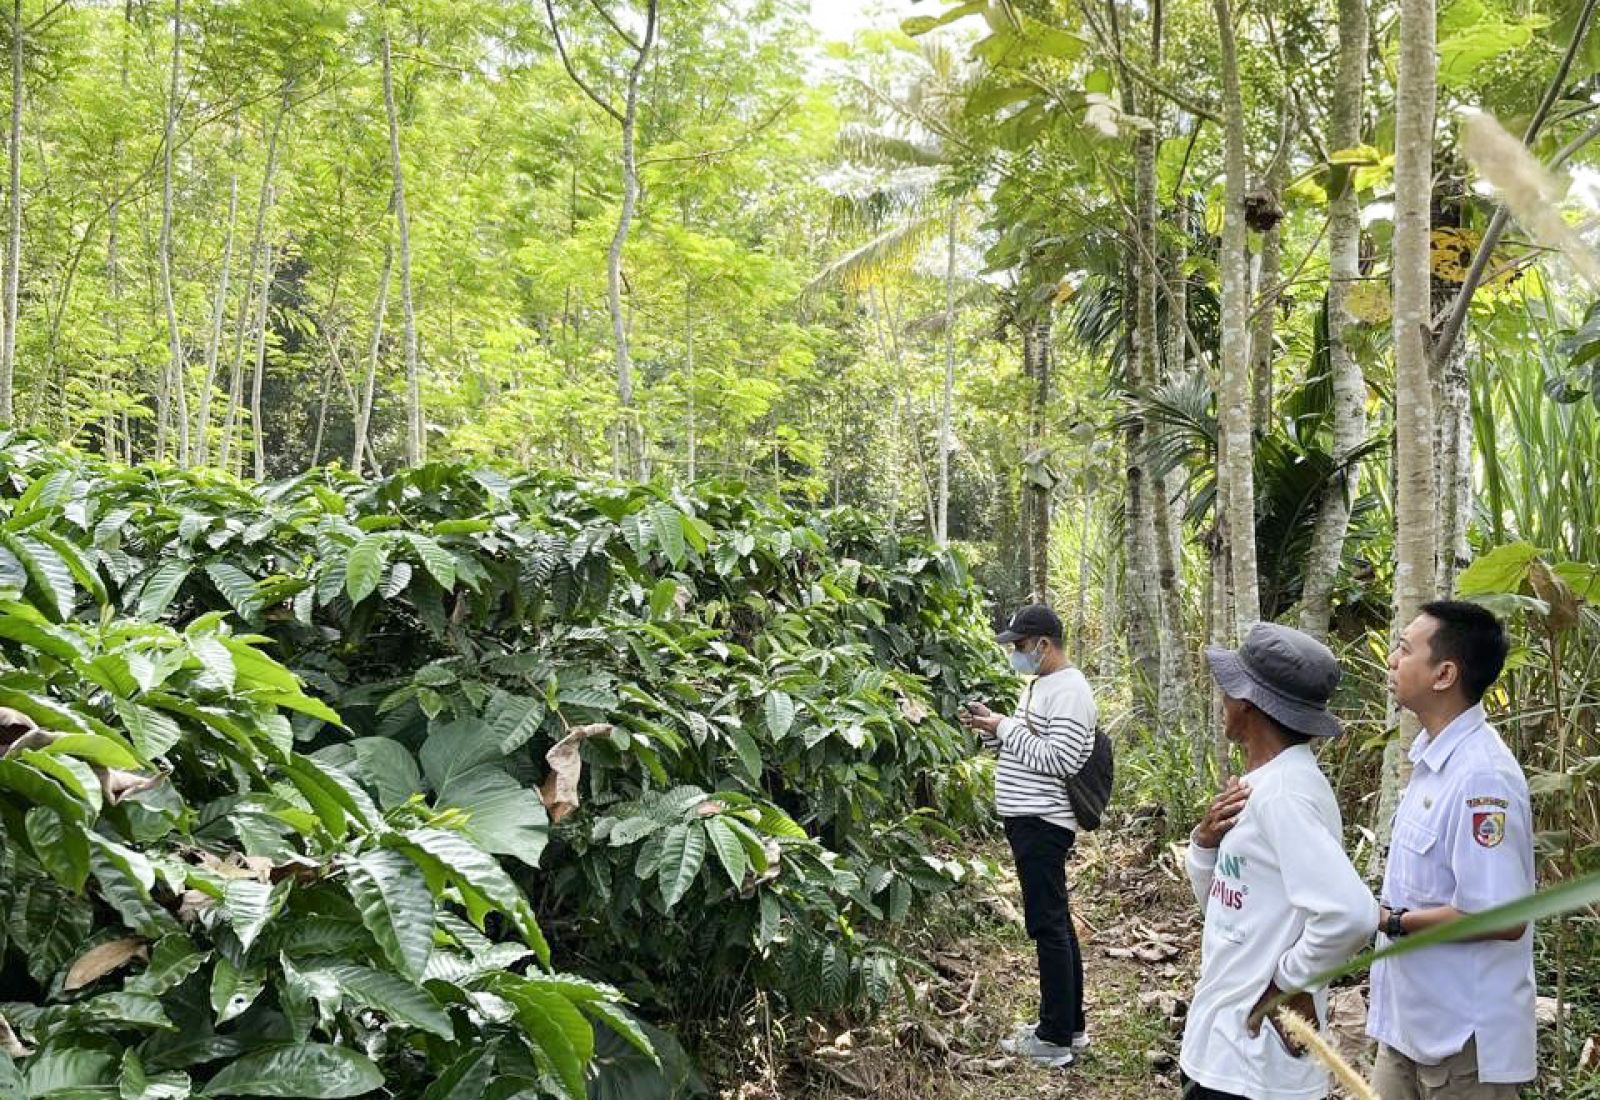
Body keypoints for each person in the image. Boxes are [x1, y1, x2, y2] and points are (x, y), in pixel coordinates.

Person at [1180, 623, 1379, 1100]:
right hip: (1224, 1044)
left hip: (1253, 1065)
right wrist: (1205, 844)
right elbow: (1228, 908)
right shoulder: (1267, 785)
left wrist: (1287, 982)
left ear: (1247, 702)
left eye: (1228, 689)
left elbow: (1352, 914)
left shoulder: (1284, 795)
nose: (1223, 700)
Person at [1367, 601, 1535, 1099]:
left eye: (1404, 650)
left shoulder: (1483, 777)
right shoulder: (1432, 759)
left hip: (1463, 1042)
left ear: (1444, 674)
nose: (1392, 661)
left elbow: (1502, 917)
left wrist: (1393, 922)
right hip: (1409, 1026)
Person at [959, 603, 1096, 1068]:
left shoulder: (1071, 690)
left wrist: (1006, 726)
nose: (1015, 653)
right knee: (1056, 922)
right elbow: (1025, 750)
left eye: (1019, 645)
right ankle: (1068, 1027)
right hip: (1030, 818)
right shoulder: (1041, 684)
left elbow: (1061, 759)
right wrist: (992, 727)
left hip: (1043, 821)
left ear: (1043, 644)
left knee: (1047, 925)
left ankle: (1053, 1039)